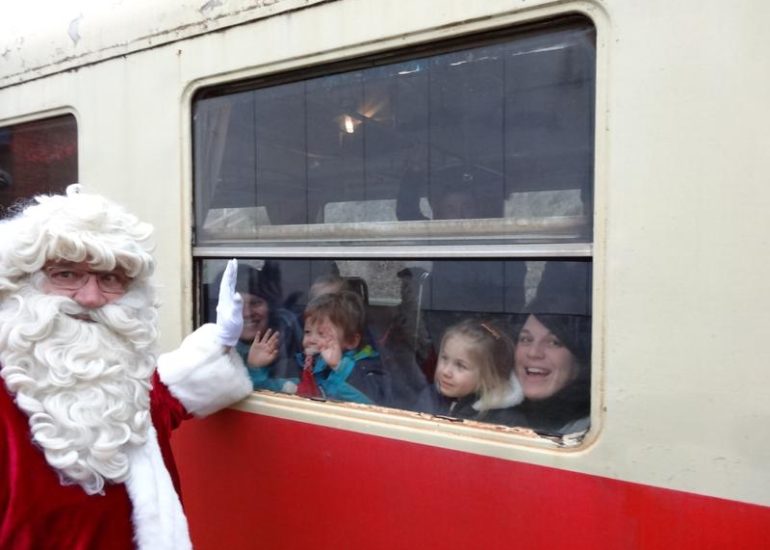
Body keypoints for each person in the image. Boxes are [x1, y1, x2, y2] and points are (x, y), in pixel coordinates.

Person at [0, 185, 253, 549]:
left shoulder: (122, 383)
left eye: (109, 279)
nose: (90, 298)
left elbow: (163, 399)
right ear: (23, 285)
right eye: (66, 275)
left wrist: (222, 341)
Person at [264, 290, 390, 405]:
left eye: (322, 334)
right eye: (307, 332)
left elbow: (372, 406)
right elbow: (272, 390)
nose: (311, 340)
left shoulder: (366, 369)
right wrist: (255, 369)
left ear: (351, 341)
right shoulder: (305, 363)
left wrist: (338, 367)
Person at [501, 304, 591, 435]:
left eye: (554, 342)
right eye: (526, 339)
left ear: (580, 359)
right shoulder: (484, 408)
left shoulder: (589, 433)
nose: (533, 352)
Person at [413, 319, 523, 422]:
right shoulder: (430, 397)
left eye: (460, 366)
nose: (446, 371)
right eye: (444, 358)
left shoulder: (500, 421)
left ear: (489, 376)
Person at [220, 262, 303, 392]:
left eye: (256, 303)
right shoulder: (214, 348)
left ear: (269, 306)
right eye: (238, 304)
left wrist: (255, 370)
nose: (247, 313)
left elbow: (295, 393)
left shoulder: (289, 345)